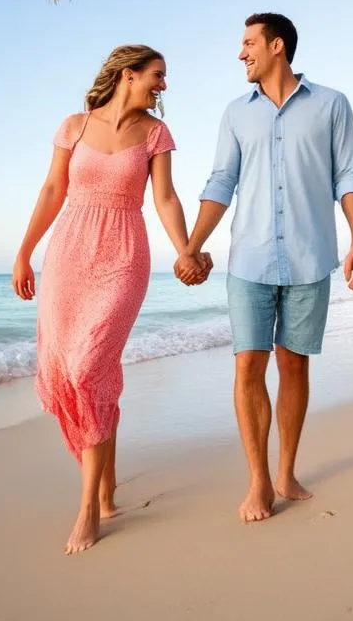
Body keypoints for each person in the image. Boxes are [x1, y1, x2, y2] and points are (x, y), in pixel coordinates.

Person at [12, 45, 210, 554]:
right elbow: (53, 188)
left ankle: (88, 511)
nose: (163, 86)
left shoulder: (155, 134)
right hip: (69, 256)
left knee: (89, 367)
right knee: (69, 373)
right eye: (158, 75)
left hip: (123, 255)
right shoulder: (74, 126)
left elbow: (165, 198)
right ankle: (106, 487)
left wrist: (186, 249)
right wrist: (24, 253)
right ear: (129, 75)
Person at [175, 14, 353, 523]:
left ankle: (286, 472)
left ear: (276, 46)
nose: (241, 54)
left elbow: (349, 173)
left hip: (312, 257)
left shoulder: (332, 105)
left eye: (248, 43)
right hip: (250, 258)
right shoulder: (236, 114)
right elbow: (222, 181)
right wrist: (191, 246)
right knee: (247, 366)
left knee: (294, 364)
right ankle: (258, 481)